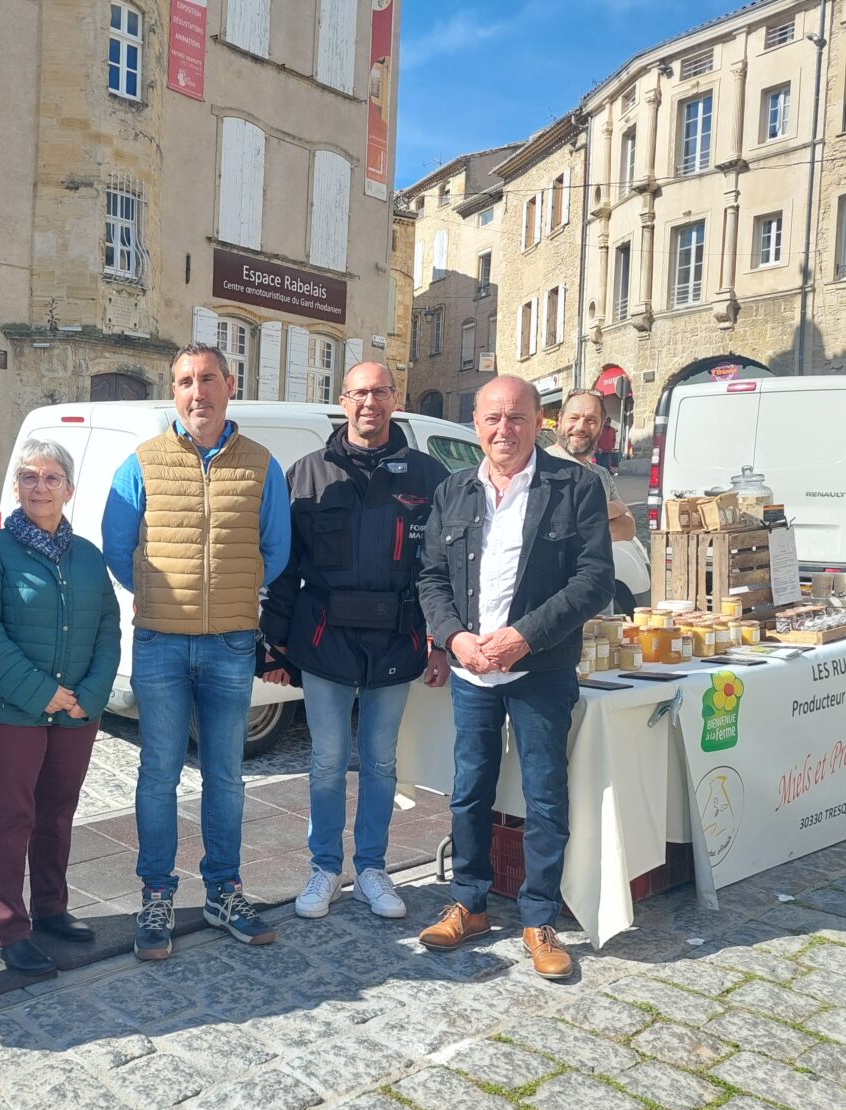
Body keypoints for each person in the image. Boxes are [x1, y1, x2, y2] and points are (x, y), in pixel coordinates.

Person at [416, 375, 613, 980]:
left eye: (517, 418)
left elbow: (594, 580)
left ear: (539, 422)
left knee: (545, 794)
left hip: (541, 670)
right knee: (470, 789)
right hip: (474, 672)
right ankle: (470, 901)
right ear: (476, 424)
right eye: (493, 419)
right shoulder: (453, 490)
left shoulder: (574, 487)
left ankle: (538, 916)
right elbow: (430, 577)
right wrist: (454, 638)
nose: (505, 430)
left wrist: (524, 636)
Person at [102, 342, 290, 961]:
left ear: (229, 386)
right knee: (157, 774)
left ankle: (224, 891)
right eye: (184, 381)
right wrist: (158, 591)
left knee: (226, 776)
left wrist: (232, 593)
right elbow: (116, 544)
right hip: (159, 642)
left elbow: (277, 550)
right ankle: (156, 894)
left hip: (231, 643)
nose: (197, 391)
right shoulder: (143, 462)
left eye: (207, 379)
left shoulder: (261, 465)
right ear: (173, 393)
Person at [262, 362, 450, 922]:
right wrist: (272, 644)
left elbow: (440, 569)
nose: (371, 402)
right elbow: (282, 569)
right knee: (325, 759)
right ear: (342, 400)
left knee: (380, 761)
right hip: (325, 640)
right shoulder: (308, 474)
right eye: (360, 392)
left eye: (381, 392)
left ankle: (372, 867)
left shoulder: (427, 476)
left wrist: (440, 640)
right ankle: (324, 867)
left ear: (395, 399)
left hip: (398, 639)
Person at [0, 439, 120, 975]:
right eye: (29, 477)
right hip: (8, 710)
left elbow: (107, 628)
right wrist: (40, 691)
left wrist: (91, 697)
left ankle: (51, 909)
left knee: (56, 814)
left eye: (52, 478)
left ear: (69, 489)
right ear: (16, 487)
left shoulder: (89, 557)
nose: (40, 487)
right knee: (8, 817)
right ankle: (4, 928)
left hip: (74, 714)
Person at [551, 390, 636, 543]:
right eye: (574, 418)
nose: (581, 426)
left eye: (591, 420)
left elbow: (628, 528)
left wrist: (591, 517)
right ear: (560, 420)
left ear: (601, 426)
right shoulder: (543, 466)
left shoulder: (601, 474)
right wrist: (612, 509)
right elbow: (558, 534)